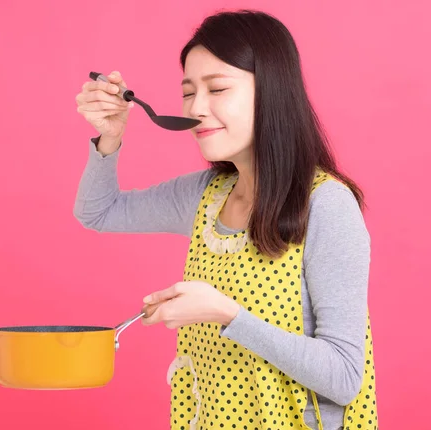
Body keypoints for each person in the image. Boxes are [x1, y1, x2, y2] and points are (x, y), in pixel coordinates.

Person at [73, 9, 377, 430]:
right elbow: (98, 211)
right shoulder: (206, 196)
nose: (197, 108)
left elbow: (344, 378)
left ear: (272, 92)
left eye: (217, 89)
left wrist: (228, 316)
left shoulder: (326, 205)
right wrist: (110, 135)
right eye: (188, 92)